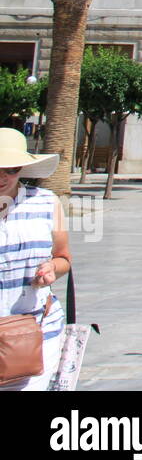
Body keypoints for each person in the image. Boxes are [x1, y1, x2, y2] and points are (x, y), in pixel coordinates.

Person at [0, 127, 67, 391]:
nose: (3, 177)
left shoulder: (47, 203)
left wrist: (52, 269)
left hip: (34, 331)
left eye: (11, 169)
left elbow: (63, 258)